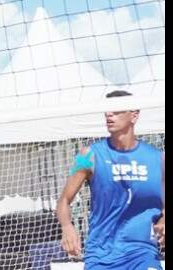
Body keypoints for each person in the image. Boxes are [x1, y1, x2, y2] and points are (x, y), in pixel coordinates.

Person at [56, 90, 165, 270]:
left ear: (134, 115)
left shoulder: (158, 159)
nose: (109, 114)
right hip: (101, 255)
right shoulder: (88, 156)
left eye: (116, 110)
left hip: (142, 253)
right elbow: (64, 201)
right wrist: (67, 227)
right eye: (107, 110)